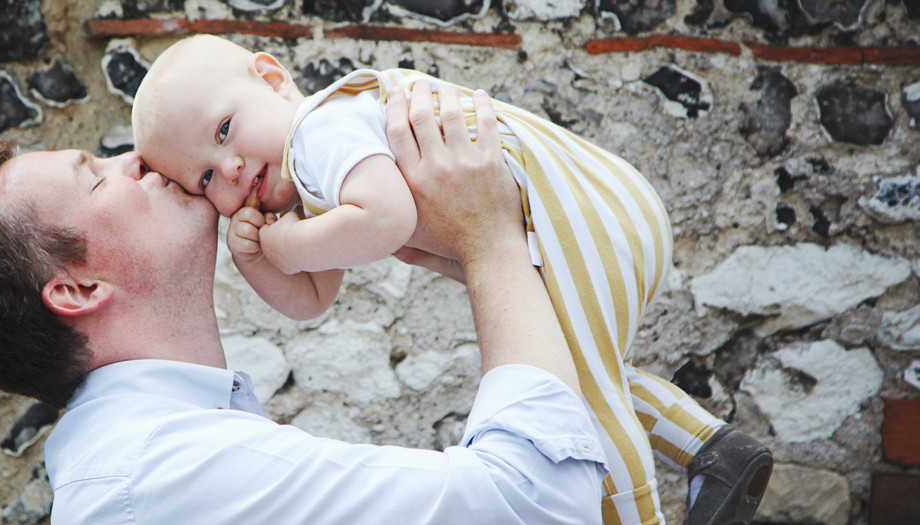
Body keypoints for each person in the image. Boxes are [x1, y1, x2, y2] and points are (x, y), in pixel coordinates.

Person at [131, 35, 772, 525]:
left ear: (271, 78)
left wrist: (289, 245)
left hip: (572, 214)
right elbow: (315, 299)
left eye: (223, 131)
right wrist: (260, 261)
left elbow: (387, 218)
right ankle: (715, 449)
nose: (233, 168)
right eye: (206, 179)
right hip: (593, 210)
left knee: (589, 409)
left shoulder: (317, 130)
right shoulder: (310, 184)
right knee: (579, 376)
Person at [0, 82, 608, 523]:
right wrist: (490, 239)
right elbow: (539, 502)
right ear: (77, 289)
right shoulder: (159, 473)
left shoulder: (167, 448)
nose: (134, 162)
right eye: (94, 177)